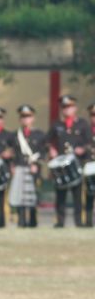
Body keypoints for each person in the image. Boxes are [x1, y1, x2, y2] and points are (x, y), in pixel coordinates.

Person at [46, 94, 91, 228]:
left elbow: (89, 143)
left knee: (78, 195)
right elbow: (47, 141)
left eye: (69, 107)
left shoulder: (82, 124)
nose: (67, 110)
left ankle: (79, 221)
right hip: (61, 166)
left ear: (75, 108)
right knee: (60, 195)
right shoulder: (57, 125)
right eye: (64, 107)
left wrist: (82, 149)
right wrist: (51, 149)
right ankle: (60, 221)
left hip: (77, 164)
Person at [9, 104, 44, 228]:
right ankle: (21, 221)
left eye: (28, 116)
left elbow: (43, 152)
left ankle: (33, 221)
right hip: (20, 168)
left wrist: (37, 164)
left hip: (33, 169)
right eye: (23, 116)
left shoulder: (39, 134)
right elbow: (12, 152)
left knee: (32, 196)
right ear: (20, 119)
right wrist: (12, 165)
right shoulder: (15, 135)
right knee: (20, 196)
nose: (25, 119)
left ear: (33, 118)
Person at [84, 103, 95, 227]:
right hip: (90, 166)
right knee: (89, 195)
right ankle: (88, 222)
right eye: (93, 114)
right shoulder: (85, 130)